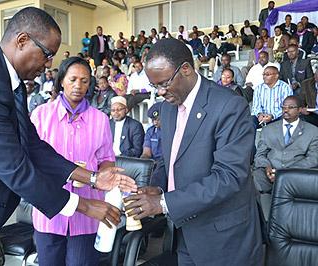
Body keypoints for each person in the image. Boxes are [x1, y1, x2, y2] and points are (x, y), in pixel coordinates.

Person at [0, 8, 136, 266]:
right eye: (47, 55)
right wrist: (86, 206)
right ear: (22, 41)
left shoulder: (8, 81)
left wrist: (93, 178)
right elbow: (11, 164)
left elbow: (31, 146)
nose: (48, 65)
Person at [124, 38, 263, 265]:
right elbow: (169, 160)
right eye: (154, 86)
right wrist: (158, 186)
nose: (159, 92)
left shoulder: (229, 106)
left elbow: (229, 177)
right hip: (184, 233)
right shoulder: (168, 108)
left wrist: (163, 203)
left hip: (223, 240)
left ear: (186, 69)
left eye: (164, 83)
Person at [30, 57, 116, 266]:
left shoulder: (100, 119)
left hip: (88, 213)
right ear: (61, 81)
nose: (78, 85)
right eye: (73, 79)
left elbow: (106, 160)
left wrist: (102, 174)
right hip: (49, 211)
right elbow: (30, 158)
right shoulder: (41, 115)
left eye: (85, 81)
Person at [253, 96, 318, 194]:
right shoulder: (268, 129)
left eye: (291, 107)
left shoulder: (312, 131)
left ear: (300, 110)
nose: (286, 110)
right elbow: (260, 155)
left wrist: (286, 172)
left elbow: (313, 159)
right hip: (269, 174)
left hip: (296, 174)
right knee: (255, 178)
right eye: (283, 107)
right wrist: (267, 167)